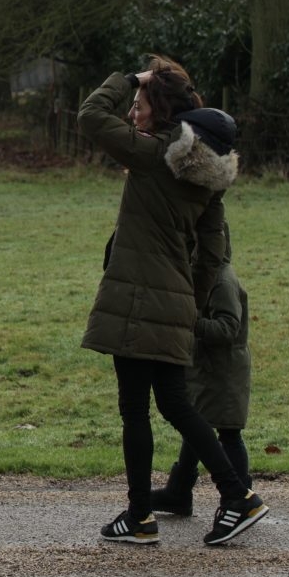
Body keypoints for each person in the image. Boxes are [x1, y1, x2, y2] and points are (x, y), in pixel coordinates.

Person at [77, 56, 267, 546]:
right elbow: (212, 254)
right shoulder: (210, 178)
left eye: (139, 105)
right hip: (176, 302)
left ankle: (142, 516)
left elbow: (91, 115)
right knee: (176, 404)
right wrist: (190, 301)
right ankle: (237, 494)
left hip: (136, 299)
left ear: (159, 109)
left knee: (136, 410)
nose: (132, 113)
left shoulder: (152, 153)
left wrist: (129, 78)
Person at [151, 220, 252, 515]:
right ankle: (178, 492)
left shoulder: (223, 280)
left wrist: (192, 323)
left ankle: (240, 497)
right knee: (196, 427)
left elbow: (228, 328)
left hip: (225, 373)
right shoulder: (207, 277)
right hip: (208, 369)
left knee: (229, 433)